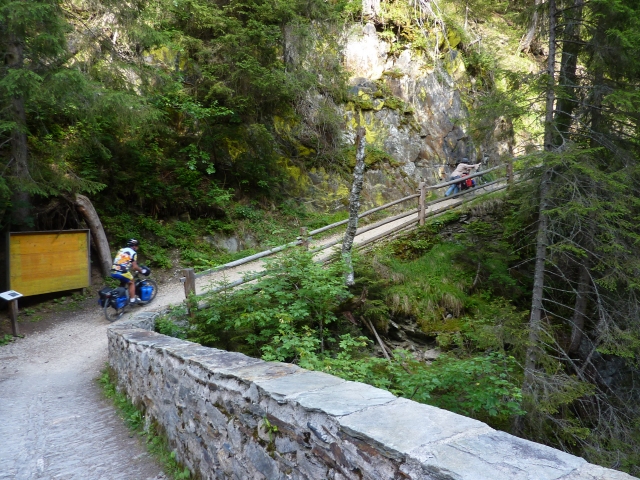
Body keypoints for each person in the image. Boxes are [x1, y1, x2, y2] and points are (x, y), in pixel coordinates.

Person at [110, 239, 145, 304]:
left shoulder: (121, 250)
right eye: (137, 246)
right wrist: (141, 270)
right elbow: (134, 267)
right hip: (121, 271)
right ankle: (132, 300)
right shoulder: (133, 253)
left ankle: (120, 298)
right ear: (134, 246)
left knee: (124, 281)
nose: (137, 248)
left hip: (113, 270)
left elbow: (124, 261)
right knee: (131, 282)